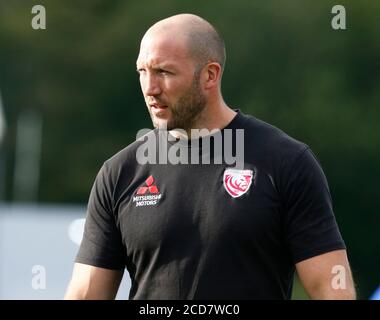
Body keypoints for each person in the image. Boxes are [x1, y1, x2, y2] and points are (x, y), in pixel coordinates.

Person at [65, 13, 356, 300]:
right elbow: (85, 295)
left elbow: (332, 290)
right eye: (143, 72)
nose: (150, 88)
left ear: (210, 75)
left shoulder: (285, 162)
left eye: (164, 72)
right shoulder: (119, 172)